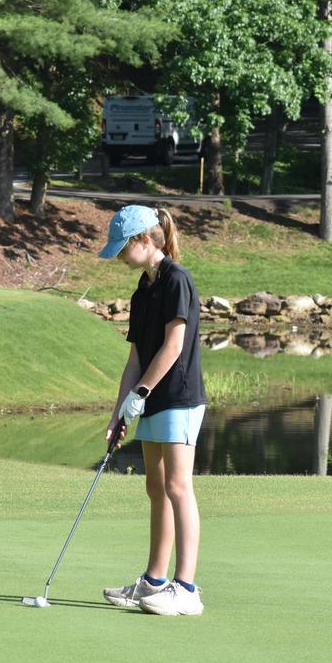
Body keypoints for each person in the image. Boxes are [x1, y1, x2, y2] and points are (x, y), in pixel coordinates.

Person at [97, 205, 207, 616]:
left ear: (145, 239)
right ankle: (155, 581)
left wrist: (140, 392)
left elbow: (174, 346)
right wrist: (118, 413)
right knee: (155, 487)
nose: (120, 257)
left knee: (178, 486)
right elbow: (136, 358)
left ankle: (187, 589)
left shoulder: (178, 279)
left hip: (179, 396)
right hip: (152, 399)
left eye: (123, 247)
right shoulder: (142, 291)